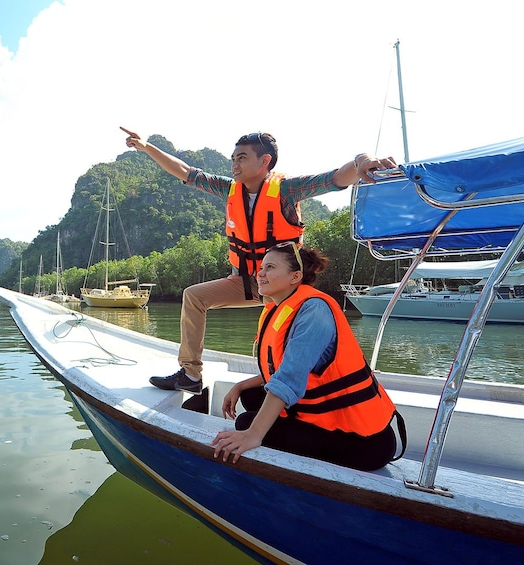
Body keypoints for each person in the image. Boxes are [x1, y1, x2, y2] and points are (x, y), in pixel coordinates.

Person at [120, 126, 396, 394]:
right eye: (233, 159)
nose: (234, 165)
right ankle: (191, 374)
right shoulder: (229, 189)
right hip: (246, 282)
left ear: (265, 161)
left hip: (283, 289)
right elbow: (186, 172)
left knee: (280, 335)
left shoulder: (287, 190)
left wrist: (362, 162)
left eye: (241, 158)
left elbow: (335, 177)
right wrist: (146, 147)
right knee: (193, 296)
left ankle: (294, 384)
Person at [210, 244, 403, 471]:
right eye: (261, 267)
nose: (259, 273)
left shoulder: (314, 312)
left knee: (246, 423)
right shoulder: (280, 308)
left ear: (296, 276)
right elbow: (281, 368)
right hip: (329, 417)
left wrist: (253, 434)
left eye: (269, 267)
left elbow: (289, 377)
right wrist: (242, 384)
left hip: (365, 442)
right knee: (251, 395)